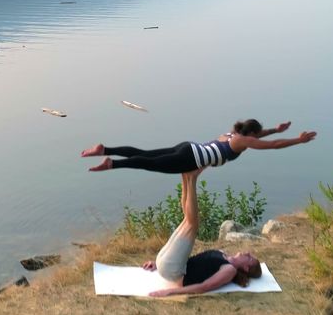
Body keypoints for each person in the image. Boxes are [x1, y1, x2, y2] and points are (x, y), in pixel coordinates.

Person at [141, 168, 263, 297]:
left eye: (249, 258)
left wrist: (170, 291)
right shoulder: (223, 254)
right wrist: (158, 266)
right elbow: (193, 263)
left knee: (193, 223)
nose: (248, 253)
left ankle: (192, 178)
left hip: (174, 272)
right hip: (169, 266)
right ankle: (186, 175)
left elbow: (204, 287)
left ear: (246, 268)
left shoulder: (229, 270)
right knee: (188, 219)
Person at [81, 119, 316, 173]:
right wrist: (298, 139)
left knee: (145, 154)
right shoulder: (243, 141)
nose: (258, 139)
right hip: (190, 159)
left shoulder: (234, 134)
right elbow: (273, 145)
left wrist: (276, 129)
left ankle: (106, 149)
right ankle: (112, 164)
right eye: (257, 136)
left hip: (189, 147)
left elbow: (265, 135)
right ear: (251, 135)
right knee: (148, 163)